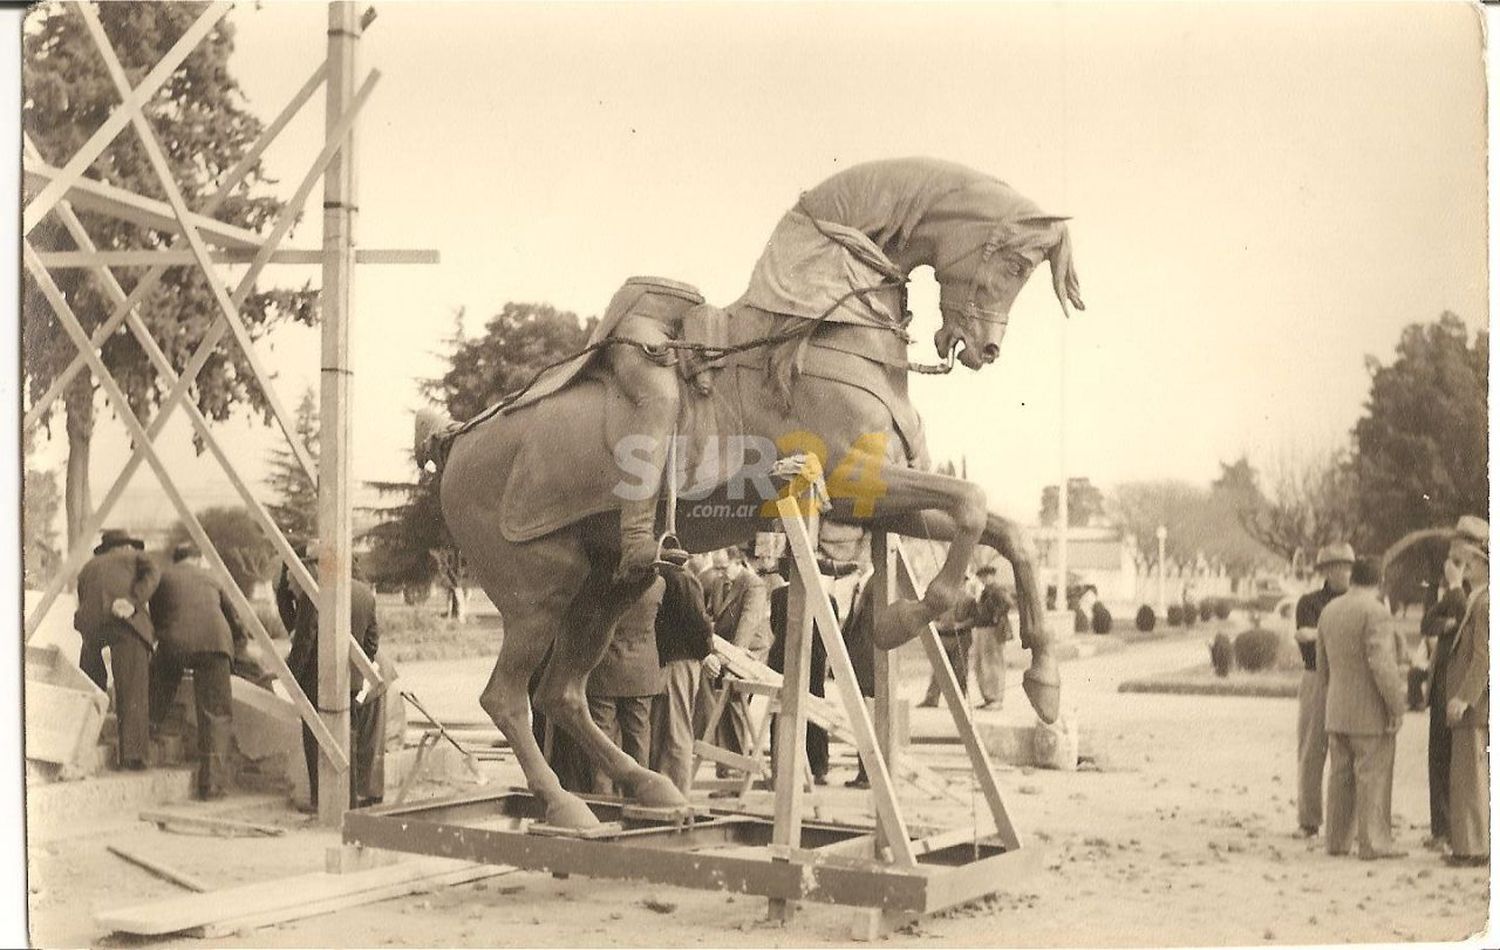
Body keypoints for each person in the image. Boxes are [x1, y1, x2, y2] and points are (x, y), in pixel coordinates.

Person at [276, 546, 384, 809]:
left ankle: (320, 802)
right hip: (350, 681)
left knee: (315, 741)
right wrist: (355, 671)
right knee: (349, 739)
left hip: (317, 681)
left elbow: (304, 641)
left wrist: (291, 679)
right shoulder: (363, 593)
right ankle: (348, 801)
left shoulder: (316, 593)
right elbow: (371, 643)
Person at [1317, 557, 1407, 860]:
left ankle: (1337, 841)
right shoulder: (1376, 612)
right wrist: (1397, 705)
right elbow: (1382, 665)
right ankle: (1374, 842)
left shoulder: (1329, 611)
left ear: (1353, 578)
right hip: (1369, 711)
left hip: (1337, 707)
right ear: (1379, 581)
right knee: (1372, 776)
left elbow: (1322, 666)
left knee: (1340, 776)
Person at [146, 543, 245, 800]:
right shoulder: (211, 577)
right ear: (198, 559)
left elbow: (157, 619)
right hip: (215, 645)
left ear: (176, 560)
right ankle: (211, 787)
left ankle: (144, 746)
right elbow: (235, 620)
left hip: (175, 643)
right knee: (216, 715)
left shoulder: (163, 576)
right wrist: (238, 650)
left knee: (157, 687)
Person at [73, 528, 161, 770]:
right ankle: (133, 756)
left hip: (91, 628)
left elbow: (82, 597)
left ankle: (89, 736)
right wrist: (133, 601)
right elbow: (154, 573)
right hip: (125, 625)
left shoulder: (89, 566)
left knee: (91, 684)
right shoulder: (135, 557)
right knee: (132, 688)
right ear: (126, 546)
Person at [1292, 542, 1354, 838]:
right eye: (1340, 566)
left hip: (1349, 679)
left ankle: (1345, 821)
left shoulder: (1359, 601)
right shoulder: (1310, 602)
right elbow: (1303, 634)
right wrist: (1338, 632)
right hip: (1317, 677)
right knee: (1312, 749)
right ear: (1327, 571)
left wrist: (1324, 633)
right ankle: (1309, 819)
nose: (1346, 571)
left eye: (1349, 565)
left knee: (1348, 752)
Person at [587, 577, 667, 796]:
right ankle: (639, 796)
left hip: (604, 670)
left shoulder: (603, 581)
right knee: (639, 740)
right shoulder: (657, 584)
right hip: (641, 672)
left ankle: (602, 798)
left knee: (602, 740)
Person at [1444, 516, 1489, 868]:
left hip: (1475, 707)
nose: (1466, 566)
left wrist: (1463, 697)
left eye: (1472, 561)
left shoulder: (1485, 603)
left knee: (1469, 779)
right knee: (1469, 776)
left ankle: (1472, 848)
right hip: (1475, 705)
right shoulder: (1480, 599)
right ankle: (1472, 845)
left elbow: (1483, 659)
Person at [702, 548, 773, 771]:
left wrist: (730, 658)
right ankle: (726, 767)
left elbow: (747, 625)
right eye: (717, 568)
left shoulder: (753, 584)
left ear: (738, 562)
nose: (721, 573)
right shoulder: (718, 582)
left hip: (748, 652)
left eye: (724, 568)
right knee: (720, 705)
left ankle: (737, 767)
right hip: (725, 651)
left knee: (734, 702)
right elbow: (712, 615)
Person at [650, 566, 714, 793]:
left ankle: (675, 789)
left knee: (673, 727)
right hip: (679, 660)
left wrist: (705, 653)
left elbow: (696, 623)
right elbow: (699, 622)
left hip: (674, 662)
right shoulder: (683, 578)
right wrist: (706, 652)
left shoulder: (665, 576)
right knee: (674, 726)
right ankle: (671, 788)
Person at [1420, 554, 1468, 850]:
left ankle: (1449, 831)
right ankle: (1441, 830)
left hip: (1454, 688)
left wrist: (1453, 586)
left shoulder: (1464, 595)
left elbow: (1457, 619)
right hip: (1443, 688)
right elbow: (1427, 623)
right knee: (1439, 758)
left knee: (1449, 760)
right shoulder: (1457, 596)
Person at [917, 576, 979, 708]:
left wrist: (960, 625)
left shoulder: (969, 599)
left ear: (964, 583)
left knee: (960, 669)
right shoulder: (941, 599)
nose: (957, 585)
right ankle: (931, 698)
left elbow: (975, 619)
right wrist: (936, 624)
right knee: (938, 668)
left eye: (960, 582)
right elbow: (931, 616)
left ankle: (960, 700)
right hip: (942, 637)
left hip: (961, 637)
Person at [970, 565, 1013, 710]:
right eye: (982, 577)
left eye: (986, 576)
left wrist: (995, 617)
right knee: (983, 665)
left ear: (992, 576)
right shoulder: (987, 591)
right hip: (984, 628)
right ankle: (989, 697)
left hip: (992, 630)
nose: (984, 579)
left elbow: (1007, 603)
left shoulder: (996, 590)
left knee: (992, 664)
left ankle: (995, 698)